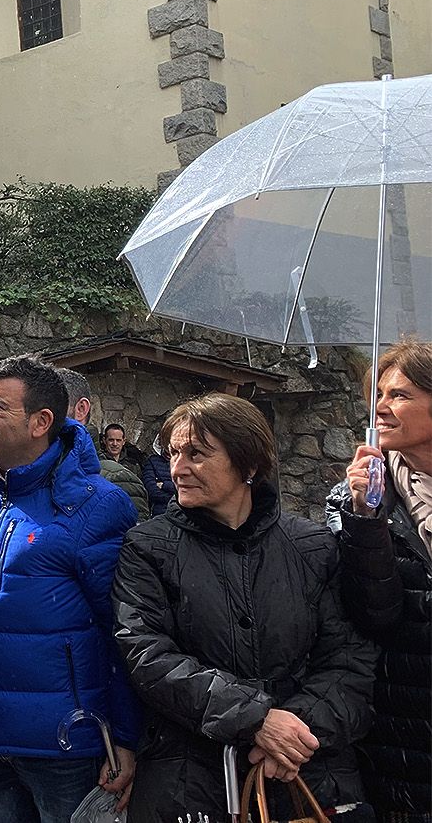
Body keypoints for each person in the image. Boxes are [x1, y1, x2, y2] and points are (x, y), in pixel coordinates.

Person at [117, 393, 377, 822]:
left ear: (250, 465)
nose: (178, 469)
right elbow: (146, 654)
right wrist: (255, 719)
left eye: (196, 454)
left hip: (309, 774)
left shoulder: (311, 546)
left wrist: (293, 732)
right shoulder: (148, 548)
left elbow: (349, 657)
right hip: (191, 780)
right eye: (174, 453)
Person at [0, 355, 139, 823]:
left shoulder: (97, 506)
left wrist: (126, 737)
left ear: (41, 422)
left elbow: (123, 630)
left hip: (64, 746)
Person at [326, 342, 432, 821]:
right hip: (406, 723)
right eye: (379, 395)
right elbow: (375, 611)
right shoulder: (354, 499)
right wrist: (366, 518)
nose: (382, 407)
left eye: (400, 395)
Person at [54, 367, 151, 520]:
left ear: (81, 409)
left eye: (53, 407)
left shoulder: (119, 479)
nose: (41, 418)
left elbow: (135, 540)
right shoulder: (30, 474)